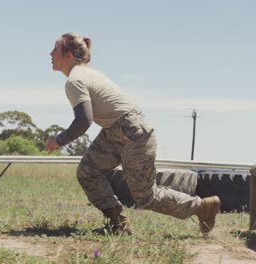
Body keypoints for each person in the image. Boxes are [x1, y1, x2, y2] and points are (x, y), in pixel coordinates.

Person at [46, 33, 220, 235]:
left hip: (131, 131)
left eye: (55, 49)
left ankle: (202, 207)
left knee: (145, 196)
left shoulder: (75, 80)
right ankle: (118, 225)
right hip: (118, 129)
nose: (50, 53)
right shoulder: (87, 73)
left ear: (68, 55)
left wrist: (59, 140)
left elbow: (84, 120)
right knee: (88, 171)